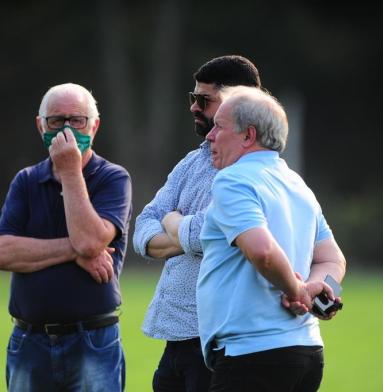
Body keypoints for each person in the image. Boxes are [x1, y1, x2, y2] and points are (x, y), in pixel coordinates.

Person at [196, 86, 346, 392]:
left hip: (252, 355)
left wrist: (299, 291)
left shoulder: (233, 180)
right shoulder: (296, 183)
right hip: (307, 352)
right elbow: (333, 259)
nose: (210, 136)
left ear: (248, 136)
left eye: (219, 127)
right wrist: (321, 290)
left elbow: (261, 251)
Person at [132, 55, 261, 391]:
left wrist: (174, 221)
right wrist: (188, 234)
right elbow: (144, 226)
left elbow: (210, 235)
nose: (193, 107)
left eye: (204, 100)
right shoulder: (193, 160)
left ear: (239, 102)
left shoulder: (251, 169)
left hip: (216, 340)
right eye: (193, 98)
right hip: (175, 339)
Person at [0, 83, 132, 391]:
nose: (67, 129)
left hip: (93, 339)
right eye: (57, 121)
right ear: (40, 125)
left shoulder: (113, 178)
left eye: (77, 120)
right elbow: (4, 252)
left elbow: (90, 241)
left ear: (95, 126)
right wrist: (74, 253)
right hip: (29, 340)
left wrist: (71, 170)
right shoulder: (26, 180)